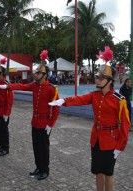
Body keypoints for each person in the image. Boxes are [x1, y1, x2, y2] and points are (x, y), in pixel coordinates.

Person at [49, 46, 130, 191]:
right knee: (97, 171)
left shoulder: (119, 99)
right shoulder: (94, 95)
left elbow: (125, 124)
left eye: (101, 78)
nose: (97, 80)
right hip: (96, 139)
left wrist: (120, 146)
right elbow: (79, 99)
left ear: (110, 81)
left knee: (108, 173)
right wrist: (63, 101)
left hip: (111, 141)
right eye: (97, 77)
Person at [0, 50, 60, 180]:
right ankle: (38, 167)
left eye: (38, 73)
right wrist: (8, 87)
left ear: (45, 75)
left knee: (43, 148)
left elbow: (56, 108)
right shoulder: (35, 86)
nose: (35, 75)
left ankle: (44, 170)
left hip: (44, 123)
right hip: (35, 122)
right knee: (35, 146)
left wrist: (50, 124)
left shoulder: (51, 89)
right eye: (36, 73)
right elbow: (22, 86)